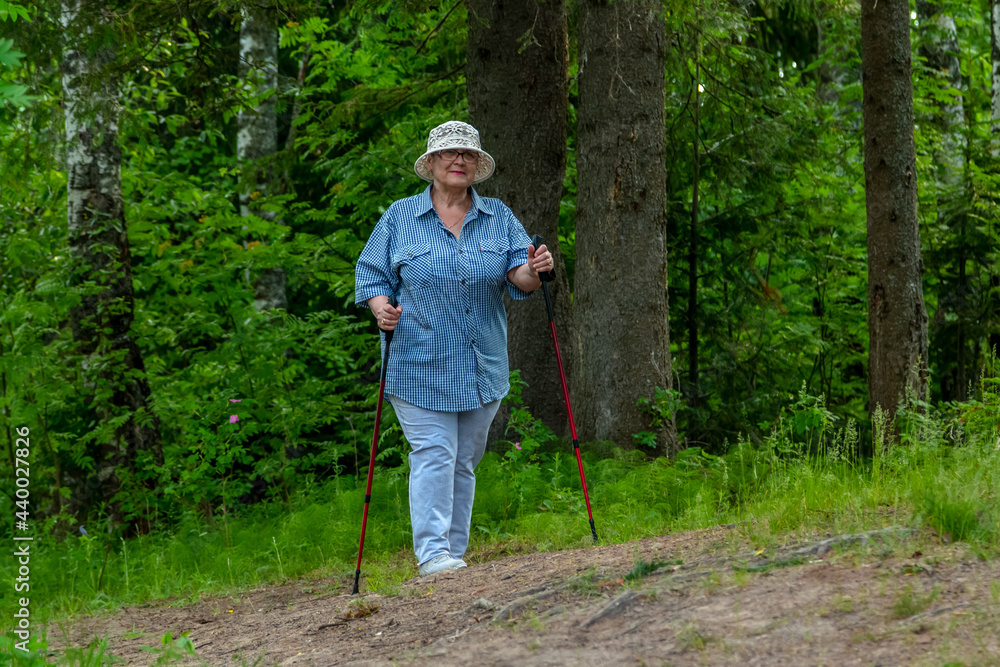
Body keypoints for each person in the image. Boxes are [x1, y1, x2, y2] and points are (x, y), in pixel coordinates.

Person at [354, 120, 554, 576]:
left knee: (464, 461)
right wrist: (382, 311)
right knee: (434, 453)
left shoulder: (498, 217)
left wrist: (536, 267)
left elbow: (520, 278)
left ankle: (451, 555)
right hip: (417, 362)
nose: (458, 160)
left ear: (477, 164)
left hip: (481, 364)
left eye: (467, 153)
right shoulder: (399, 217)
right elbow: (371, 276)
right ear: (432, 163)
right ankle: (432, 555)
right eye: (449, 152)